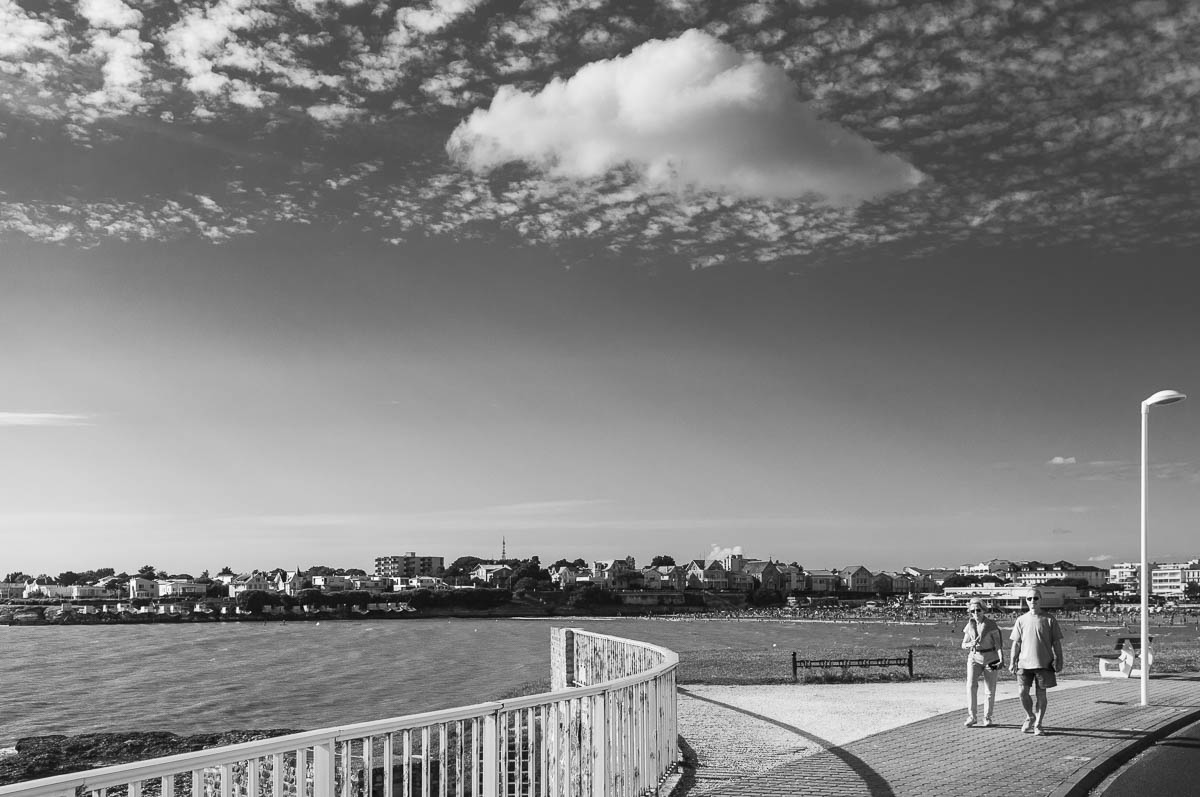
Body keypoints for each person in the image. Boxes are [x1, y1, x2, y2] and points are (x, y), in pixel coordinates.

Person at [1009, 587, 1064, 736]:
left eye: (1035, 598)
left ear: (1041, 600)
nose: (1032, 601)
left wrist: (1059, 660)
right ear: (1026, 601)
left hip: (1044, 664)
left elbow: (1056, 643)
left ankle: (1038, 724)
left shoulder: (1049, 619)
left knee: (1041, 695)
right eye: (1029, 599)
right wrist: (1012, 661)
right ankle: (1030, 716)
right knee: (1022, 692)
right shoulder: (1021, 620)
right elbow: (1016, 643)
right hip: (1024, 664)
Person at [961, 598, 1003, 727]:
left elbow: (998, 645)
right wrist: (970, 644)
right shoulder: (970, 625)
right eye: (972, 610)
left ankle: (987, 717)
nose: (975, 613)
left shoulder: (991, 625)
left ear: (983, 610)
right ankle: (972, 716)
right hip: (974, 657)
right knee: (971, 686)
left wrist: (1002, 659)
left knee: (989, 690)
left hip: (990, 657)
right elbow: (963, 644)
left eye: (978, 610)